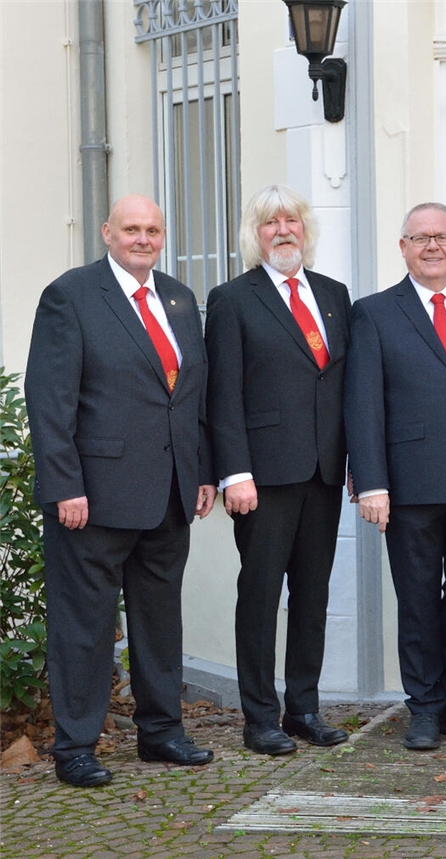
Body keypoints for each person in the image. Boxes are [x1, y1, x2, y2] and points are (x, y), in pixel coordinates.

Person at [25, 195, 217, 787]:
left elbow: (192, 395)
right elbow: (49, 400)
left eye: (152, 229)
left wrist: (202, 470)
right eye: (131, 228)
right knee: (83, 627)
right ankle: (76, 747)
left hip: (170, 494)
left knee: (160, 621)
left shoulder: (178, 298)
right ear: (108, 232)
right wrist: (64, 485)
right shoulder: (71, 295)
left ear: (163, 236)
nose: (142, 239)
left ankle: (161, 732)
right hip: (93, 498)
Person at [344, 203, 446, 750]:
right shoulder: (374, 312)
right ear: (403, 247)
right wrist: (371, 482)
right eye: (420, 238)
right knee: (416, 600)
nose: (432, 246)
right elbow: (363, 402)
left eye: (442, 237)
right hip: (410, 482)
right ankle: (425, 707)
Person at [205, 185, 352, 755]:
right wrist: (234, 472)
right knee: (262, 596)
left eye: (292, 220)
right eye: (271, 222)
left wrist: (357, 465)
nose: (283, 230)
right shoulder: (232, 299)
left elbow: (342, 386)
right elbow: (223, 394)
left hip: (323, 472)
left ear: (305, 229)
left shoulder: (334, 295)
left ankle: (304, 709)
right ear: (255, 233)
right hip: (262, 478)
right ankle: (260, 717)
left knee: (312, 596)